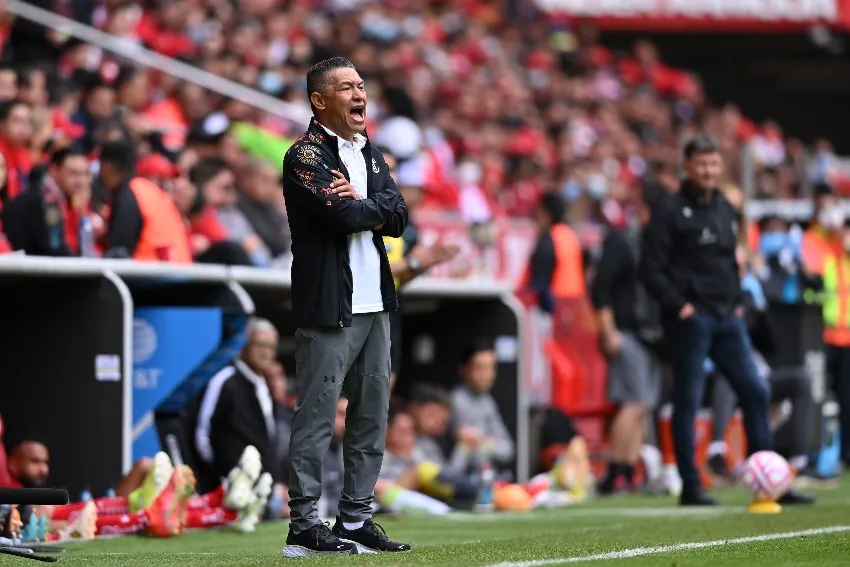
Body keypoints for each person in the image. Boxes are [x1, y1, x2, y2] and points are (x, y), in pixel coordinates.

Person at [281, 57, 410, 557]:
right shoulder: (304, 156)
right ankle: (304, 525)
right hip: (330, 304)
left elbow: (398, 215)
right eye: (347, 88)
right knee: (316, 415)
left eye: (361, 84)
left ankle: (355, 518)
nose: (360, 94)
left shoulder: (370, 154)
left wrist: (366, 204)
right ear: (320, 100)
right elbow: (346, 214)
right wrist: (366, 205)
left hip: (375, 301)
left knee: (371, 415)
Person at [640, 135, 813, 506]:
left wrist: (735, 301)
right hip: (691, 319)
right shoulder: (670, 211)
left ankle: (770, 481)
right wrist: (677, 306)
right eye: (702, 164)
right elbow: (650, 269)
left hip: (726, 317)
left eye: (714, 164)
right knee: (688, 399)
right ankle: (690, 485)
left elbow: (728, 261)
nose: (709, 170)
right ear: (686, 166)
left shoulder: (723, 206)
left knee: (755, 390)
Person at [591, 184, 666, 494]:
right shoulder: (622, 242)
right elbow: (600, 289)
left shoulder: (655, 246)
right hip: (626, 332)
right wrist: (609, 331)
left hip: (651, 337)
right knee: (632, 403)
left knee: (643, 404)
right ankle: (615, 471)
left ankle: (625, 469)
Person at [380, 148, 459, 391]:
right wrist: (413, 262)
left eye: (393, 170)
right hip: (356, 309)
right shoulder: (352, 211)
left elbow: (396, 275)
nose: (391, 176)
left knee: (386, 384)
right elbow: (357, 267)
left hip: (388, 308)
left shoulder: (397, 217)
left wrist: (427, 261)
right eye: (384, 168)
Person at [195, 318, 280, 490]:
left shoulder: (264, 385)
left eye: (270, 347)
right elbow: (203, 434)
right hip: (227, 488)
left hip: (257, 490)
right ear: (244, 346)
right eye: (259, 345)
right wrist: (222, 476)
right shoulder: (225, 380)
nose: (265, 352)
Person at [97, 140, 192, 263]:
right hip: (180, 271)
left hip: (151, 274)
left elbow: (119, 251)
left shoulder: (129, 194)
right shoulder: (148, 190)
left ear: (107, 167)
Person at [3, 147, 102, 256]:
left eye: (85, 174)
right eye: (74, 173)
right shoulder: (45, 199)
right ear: (54, 170)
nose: (81, 181)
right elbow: (55, 247)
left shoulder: (66, 199)